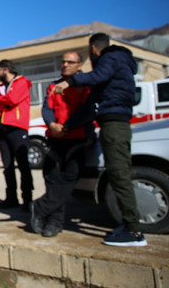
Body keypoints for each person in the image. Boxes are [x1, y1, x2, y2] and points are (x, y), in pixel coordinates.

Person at [53, 33, 146, 247]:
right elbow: (89, 105)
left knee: (118, 174)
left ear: (93, 49)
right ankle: (129, 224)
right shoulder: (118, 66)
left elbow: (96, 77)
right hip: (113, 123)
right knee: (119, 174)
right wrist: (69, 125)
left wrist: (71, 82)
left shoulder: (110, 59)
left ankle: (134, 230)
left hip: (114, 125)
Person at [30, 52, 95, 237]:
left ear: (79, 65)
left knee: (69, 178)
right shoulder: (53, 86)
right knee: (52, 178)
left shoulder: (86, 86)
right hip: (55, 137)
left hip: (77, 138)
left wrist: (68, 126)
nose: (65, 64)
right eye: (63, 61)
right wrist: (52, 124)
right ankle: (54, 222)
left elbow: (87, 110)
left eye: (70, 62)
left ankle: (40, 207)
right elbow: (47, 108)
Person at [0, 59, 33, 211]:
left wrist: (5, 101)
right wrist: (5, 102)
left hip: (17, 128)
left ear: (6, 69)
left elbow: (13, 99)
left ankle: (27, 199)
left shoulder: (22, 82)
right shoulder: (0, 88)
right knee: (7, 166)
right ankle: (11, 197)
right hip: (2, 130)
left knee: (23, 165)